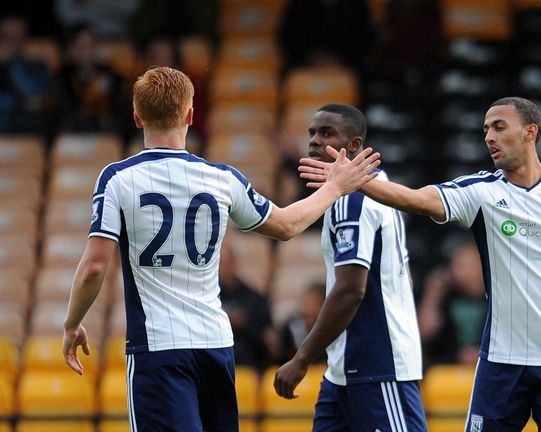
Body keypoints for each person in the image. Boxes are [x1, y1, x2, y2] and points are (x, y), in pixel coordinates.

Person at [299, 97, 541, 432]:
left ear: (530, 132)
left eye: (498, 127)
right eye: (484, 130)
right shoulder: (482, 192)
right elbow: (414, 199)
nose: (489, 137)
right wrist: (353, 181)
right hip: (501, 364)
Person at [61, 67, 380, 431]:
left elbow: (94, 267)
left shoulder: (117, 179)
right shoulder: (222, 178)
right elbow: (288, 225)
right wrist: (334, 187)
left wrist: (72, 323)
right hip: (216, 345)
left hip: (159, 348)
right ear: (190, 115)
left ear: (137, 117)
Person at [273, 104, 427, 431]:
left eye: (327, 133)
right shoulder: (373, 186)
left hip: (377, 367)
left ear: (354, 145)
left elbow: (350, 291)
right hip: (344, 371)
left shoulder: (351, 200)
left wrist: (301, 359)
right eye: (312, 133)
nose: (314, 141)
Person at [419, 240, 487, 366]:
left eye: (466, 266)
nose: (458, 271)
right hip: (447, 370)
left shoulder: (495, 298)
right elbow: (425, 332)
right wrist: (432, 295)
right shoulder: (446, 295)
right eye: (456, 265)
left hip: (486, 367)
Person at [219, 241, 277, 373]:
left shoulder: (254, 299)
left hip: (249, 367)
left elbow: (268, 340)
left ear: (234, 263)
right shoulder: (205, 298)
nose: (220, 268)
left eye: (224, 263)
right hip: (215, 367)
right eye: (218, 264)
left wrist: (245, 323)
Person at [0, 15, 51, 133]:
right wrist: (20, 103)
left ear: (25, 40)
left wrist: (13, 65)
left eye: (17, 37)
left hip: (27, 126)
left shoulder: (37, 66)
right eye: (7, 37)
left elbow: (35, 97)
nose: (12, 43)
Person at [276, 281, 326, 364]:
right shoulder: (291, 328)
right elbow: (281, 357)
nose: (304, 310)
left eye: (310, 305)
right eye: (304, 304)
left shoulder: (334, 330)